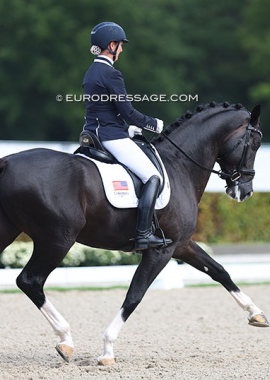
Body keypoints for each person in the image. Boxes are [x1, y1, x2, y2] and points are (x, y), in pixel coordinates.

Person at [82, 21, 172, 251]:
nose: (121, 50)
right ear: (111, 45)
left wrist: (127, 129)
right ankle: (143, 234)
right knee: (153, 177)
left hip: (94, 133)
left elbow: (101, 110)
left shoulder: (91, 72)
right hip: (111, 138)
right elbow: (127, 111)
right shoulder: (111, 74)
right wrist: (153, 124)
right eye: (120, 45)